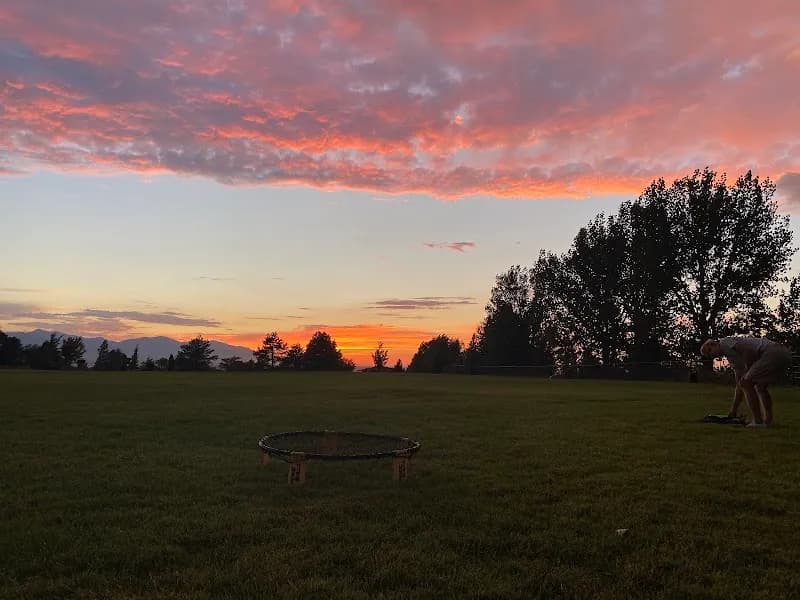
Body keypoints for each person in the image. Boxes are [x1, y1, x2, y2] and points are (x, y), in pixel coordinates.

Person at [700, 336, 792, 427]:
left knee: (747, 383)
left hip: (772, 352)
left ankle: (757, 421)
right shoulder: (733, 360)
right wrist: (733, 410)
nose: (711, 356)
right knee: (760, 386)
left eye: (709, 351)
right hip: (783, 354)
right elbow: (739, 385)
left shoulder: (724, 342)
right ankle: (768, 421)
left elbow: (747, 349)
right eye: (708, 356)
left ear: (714, 344)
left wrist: (748, 368)